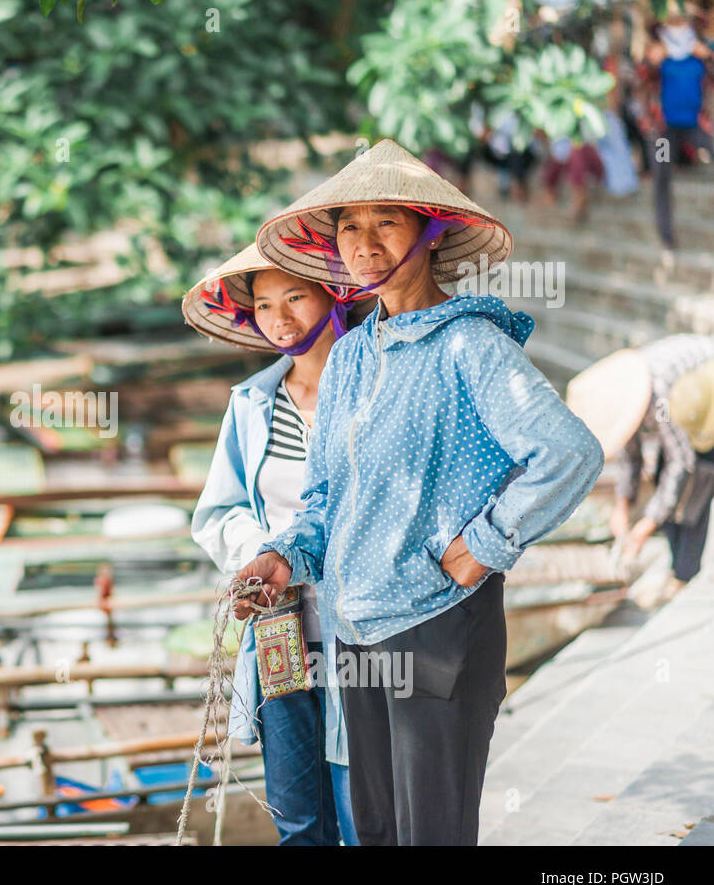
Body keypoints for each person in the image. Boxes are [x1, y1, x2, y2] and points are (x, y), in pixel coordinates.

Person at [233, 138, 604, 846]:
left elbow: (568, 452)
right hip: (358, 631)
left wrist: (483, 547)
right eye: (349, 225)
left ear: (430, 233)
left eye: (387, 222)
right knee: (374, 831)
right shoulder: (347, 358)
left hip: (440, 627)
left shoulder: (470, 345)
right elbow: (323, 501)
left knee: (431, 834)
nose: (364, 243)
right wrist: (282, 558)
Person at [185, 241, 375, 846]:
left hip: (368, 622)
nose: (280, 317)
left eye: (295, 296)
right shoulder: (251, 405)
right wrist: (263, 551)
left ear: (334, 293)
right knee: (295, 809)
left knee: (363, 804)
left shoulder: (378, 385)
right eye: (264, 305)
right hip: (280, 624)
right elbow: (221, 509)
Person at [567, 336, 714, 594]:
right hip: (682, 410)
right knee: (662, 479)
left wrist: (646, 524)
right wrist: (622, 507)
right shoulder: (624, 400)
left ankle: (684, 575)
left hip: (705, 402)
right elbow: (630, 457)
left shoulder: (661, 395)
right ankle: (677, 568)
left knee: (696, 485)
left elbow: (683, 462)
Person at [650, 0, 714, 249]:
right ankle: (666, 236)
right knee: (662, 175)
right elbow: (641, 78)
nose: (678, 25)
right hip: (667, 131)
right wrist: (652, 62)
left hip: (695, 126)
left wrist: (709, 58)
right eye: (674, 21)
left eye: (681, 20)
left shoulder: (700, 51)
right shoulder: (657, 53)